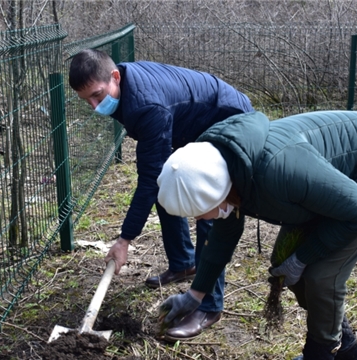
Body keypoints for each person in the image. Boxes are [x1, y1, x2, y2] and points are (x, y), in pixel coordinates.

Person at [156, 110, 357, 359]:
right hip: (328, 186)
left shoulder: (277, 171)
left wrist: (302, 257)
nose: (200, 218)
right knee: (285, 263)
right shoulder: (225, 168)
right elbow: (223, 237)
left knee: (321, 276)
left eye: (201, 210)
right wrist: (195, 295)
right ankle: (344, 348)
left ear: (219, 191)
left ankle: (321, 353)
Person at [68, 49, 254, 340]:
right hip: (188, 124)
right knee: (167, 185)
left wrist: (124, 239)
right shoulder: (122, 86)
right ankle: (184, 263)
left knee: (210, 206)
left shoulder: (146, 106)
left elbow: (147, 181)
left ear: (115, 76)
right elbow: (155, 177)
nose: (94, 106)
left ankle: (209, 305)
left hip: (226, 118)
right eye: (87, 100)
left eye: (98, 95)